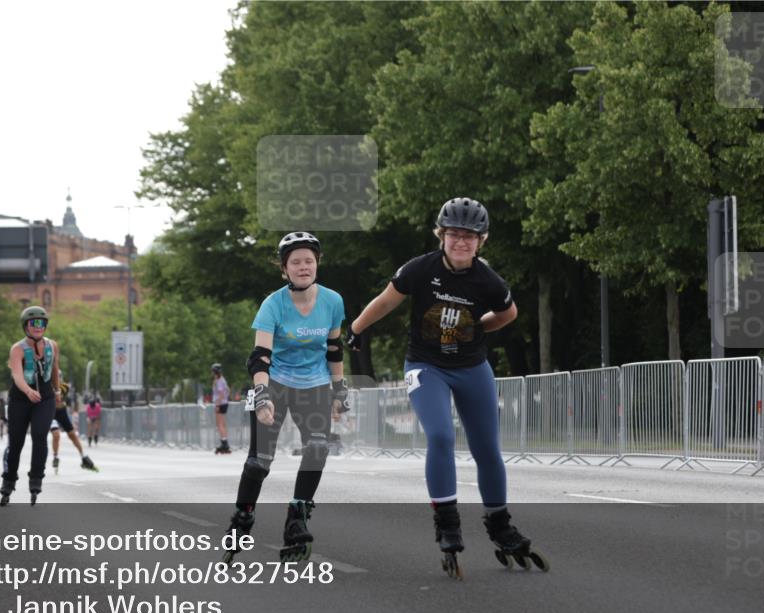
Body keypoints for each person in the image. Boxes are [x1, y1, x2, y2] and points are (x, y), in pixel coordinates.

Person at [346, 197, 546, 578]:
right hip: (426, 366)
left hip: (471, 367)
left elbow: (509, 313)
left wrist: (479, 327)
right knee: (440, 436)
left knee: (487, 449)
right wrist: (356, 329)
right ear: (441, 235)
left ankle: (500, 525)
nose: (461, 242)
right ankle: (447, 523)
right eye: (454, 234)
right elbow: (386, 301)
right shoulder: (420, 269)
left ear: (481, 241)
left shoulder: (488, 280)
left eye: (469, 236)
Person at [223, 231, 348, 563]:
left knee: (317, 449)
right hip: (275, 382)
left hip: (315, 384)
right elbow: (260, 357)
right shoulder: (273, 304)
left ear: (317, 264)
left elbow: (334, 348)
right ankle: (242, 517)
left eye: (309, 261)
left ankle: (297, 518)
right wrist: (263, 395)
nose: (303, 267)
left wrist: (339, 390)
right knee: (259, 462)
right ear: (284, 269)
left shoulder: (333, 301)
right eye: (295, 262)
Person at [1, 306, 60, 506]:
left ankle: (36, 478)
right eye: (33, 323)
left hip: (45, 398)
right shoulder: (17, 349)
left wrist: (57, 392)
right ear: (25, 326)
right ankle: (9, 480)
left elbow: (54, 369)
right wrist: (28, 391)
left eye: (41, 323)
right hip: (20, 399)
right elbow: (17, 376)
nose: (38, 326)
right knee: (16, 443)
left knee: (40, 435)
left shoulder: (52, 346)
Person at [49, 376, 98, 473]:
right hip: (51, 412)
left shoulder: (65, 387)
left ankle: (83, 456)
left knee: (72, 435)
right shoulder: (47, 387)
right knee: (56, 435)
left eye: (59, 377)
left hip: (62, 412)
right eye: (56, 378)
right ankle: (55, 457)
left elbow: (62, 397)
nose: (58, 379)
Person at [211, 363, 231, 454]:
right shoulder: (223, 380)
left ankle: (224, 443)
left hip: (220, 404)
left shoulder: (219, 381)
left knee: (219, 424)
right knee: (222, 424)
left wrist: (217, 405)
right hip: (224, 403)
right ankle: (225, 442)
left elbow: (221, 393)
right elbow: (228, 390)